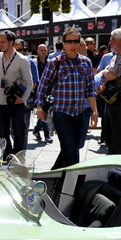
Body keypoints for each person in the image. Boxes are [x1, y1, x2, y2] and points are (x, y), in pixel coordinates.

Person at [35, 27, 99, 169]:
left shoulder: (86, 62)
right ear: (63, 44)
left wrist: (94, 112)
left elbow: (90, 90)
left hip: (81, 113)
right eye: (69, 41)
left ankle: (54, 177)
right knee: (70, 150)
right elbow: (42, 86)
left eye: (76, 41)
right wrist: (39, 107)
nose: (73, 44)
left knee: (74, 149)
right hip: (62, 113)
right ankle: (71, 183)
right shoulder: (55, 62)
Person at [0, 31, 32, 159]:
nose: (0, 44)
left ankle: (19, 160)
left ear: (11, 43)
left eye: (3, 42)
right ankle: (8, 158)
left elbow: (30, 83)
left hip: (16, 103)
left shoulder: (22, 60)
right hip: (1, 103)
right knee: (3, 135)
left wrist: (23, 99)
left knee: (19, 134)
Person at [32, 44, 53, 143]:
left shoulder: (50, 63)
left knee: (46, 111)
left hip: (49, 92)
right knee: (44, 112)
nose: (44, 52)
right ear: (37, 51)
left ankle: (36, 129)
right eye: (41, 50)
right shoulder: (34, 64)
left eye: (45, 50)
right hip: (38, 93)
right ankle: (47, 134)